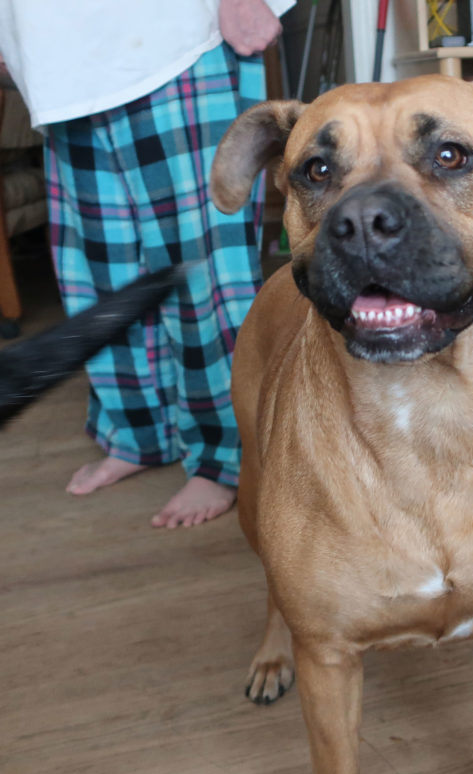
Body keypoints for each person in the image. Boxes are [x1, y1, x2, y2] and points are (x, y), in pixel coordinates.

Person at [0, 0, 294, 528]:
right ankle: (138, 435)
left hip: (171, 43)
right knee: (99, 274)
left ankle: (224, 456)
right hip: (58, 70)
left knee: (202, 271)